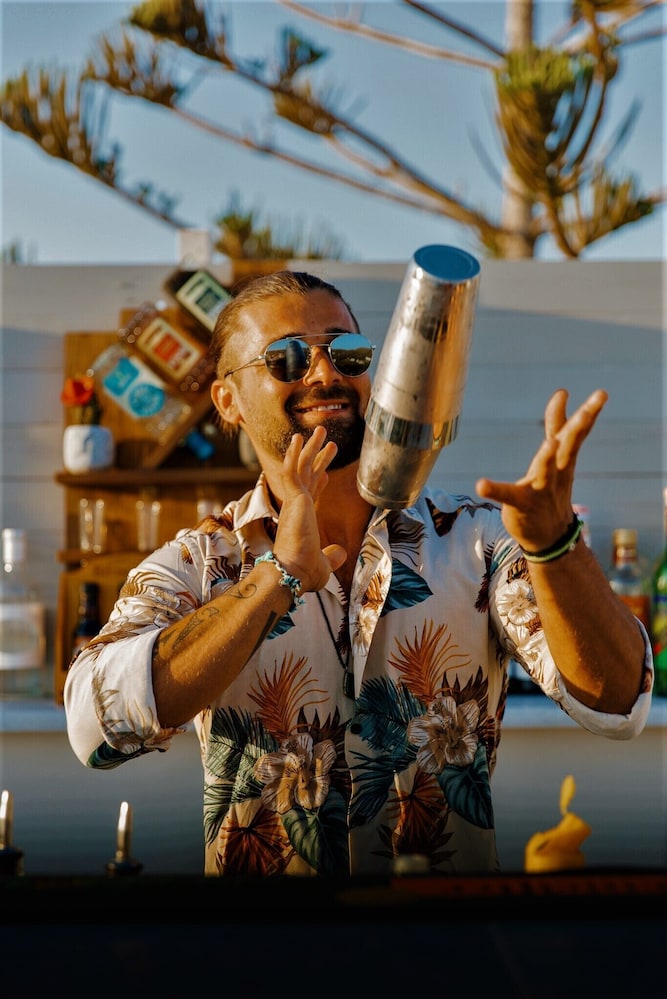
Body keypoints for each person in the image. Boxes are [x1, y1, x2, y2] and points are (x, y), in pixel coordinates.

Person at [64, 270, 653, 877]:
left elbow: (617, 706)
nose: (325, 373)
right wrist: (274, 580)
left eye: (346, 351)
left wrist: (556, 546)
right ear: (227, 401)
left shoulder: (476, 541)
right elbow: (93, 729)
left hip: (443, 929)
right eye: (287, 357)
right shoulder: (197, 565)